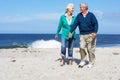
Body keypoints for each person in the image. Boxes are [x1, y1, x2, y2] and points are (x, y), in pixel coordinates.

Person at [69, 3, 98, 68]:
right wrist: (70, 31)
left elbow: (96, 23)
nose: (80, 8)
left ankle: (91, 62)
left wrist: (95, 32)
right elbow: (75, 24)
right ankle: (83, 60)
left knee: (90, 49)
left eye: (81, 7)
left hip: (91, 34)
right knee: (82, 47)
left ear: (85, 8)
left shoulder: (91, 15)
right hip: (82, 35)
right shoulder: (79, 16)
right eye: (80, 7)